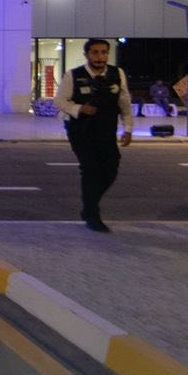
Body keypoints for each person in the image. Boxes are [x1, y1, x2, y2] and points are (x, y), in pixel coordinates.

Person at [57, 38, 132, 232]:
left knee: (110, 169)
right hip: (81, 130)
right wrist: (80, 108)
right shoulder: (73, 75)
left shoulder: (117, 74)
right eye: (95, 52)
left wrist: (128, 128)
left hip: (106, 129)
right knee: (90, 170)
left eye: (104, 52)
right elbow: (60, 101)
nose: (100, 56)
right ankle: (92, 214)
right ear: (86, 55)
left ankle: (89, 205)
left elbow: (124, 102)